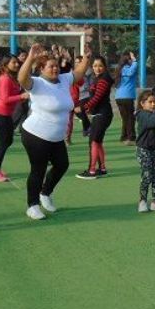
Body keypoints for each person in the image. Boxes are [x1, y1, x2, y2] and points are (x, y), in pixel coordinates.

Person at [18, 44, 89, 220]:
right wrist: (30, 57)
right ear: (41, 69)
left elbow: (79, 73)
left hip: (56, 137)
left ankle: (45, 193)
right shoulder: (37, 83)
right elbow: (21, 78)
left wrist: (87, 57)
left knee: (62, 165)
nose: (55, 68)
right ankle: (32, 205)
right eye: (50, 66)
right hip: (35, 134)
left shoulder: (64, 80)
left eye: (56, 65)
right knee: (38, 170)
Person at [0, 56, 29, 182]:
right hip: (0, 114)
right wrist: (21, 96)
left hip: (6, 115)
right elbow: (5, 99)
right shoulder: (5, 79)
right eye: (13, 62)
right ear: (5, 65)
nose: (17, 64)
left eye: (17, 62)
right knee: (4, 143)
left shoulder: (12, 78)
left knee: (7, 141)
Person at [75, 55, 114, 179]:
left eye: (100, 66)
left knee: (93, 141)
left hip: (103, 114)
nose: (97, 68)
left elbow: (97, 98)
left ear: (105, 67)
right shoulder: (97, 78)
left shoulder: (103, 80)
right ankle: (102, 168)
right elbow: (93, 97)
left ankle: (91, 171)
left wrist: (83, 107)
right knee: (97, 141)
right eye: (95, 66)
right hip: (100, 114)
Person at [115, 51, 139, 145]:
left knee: (125, 118)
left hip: (119, 97)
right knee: (130, 118)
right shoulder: (127, 68)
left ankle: (123, 136)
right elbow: (131, 71)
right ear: (128, 60)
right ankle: (131, 137)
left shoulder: (119, 69)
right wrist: (135, 60)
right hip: (127, 96)